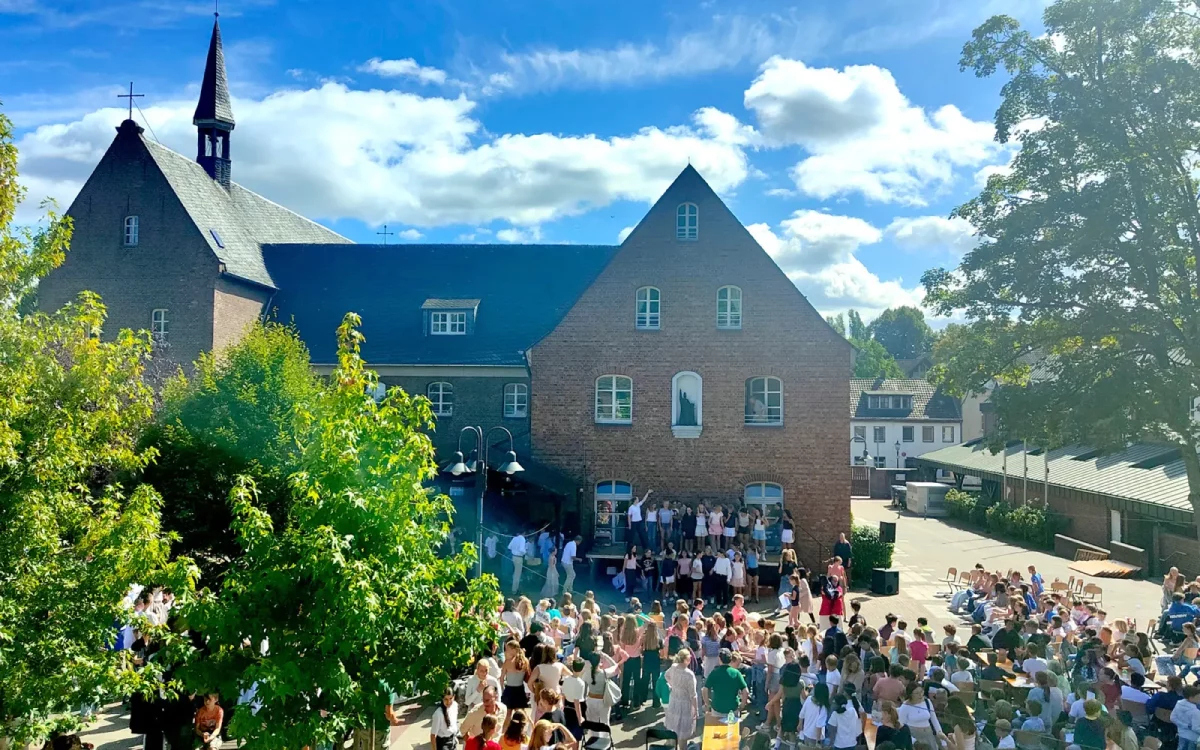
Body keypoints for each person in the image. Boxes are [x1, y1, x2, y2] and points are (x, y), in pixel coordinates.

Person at [664, 649, 698, 750]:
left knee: (674, 728)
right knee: (683, 734)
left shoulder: (673, 667)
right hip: (685, 703)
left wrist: (673, 685)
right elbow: (693, 695)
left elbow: (666, 675)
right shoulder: (689, 674)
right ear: (686, 660)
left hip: (674, 700)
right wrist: (695, 710)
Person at [897, 683, 945, 749]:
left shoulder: (927, 702)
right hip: (914, 736)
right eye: (916, 693)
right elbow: (901, 726)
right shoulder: (905, 707)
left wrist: (939, 732)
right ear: (910, 694)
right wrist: (913, 741)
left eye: (921, 692)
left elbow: (934, 719)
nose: (920, 695)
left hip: (928, 734)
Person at [704, 648, 749, 718]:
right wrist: (742, 705)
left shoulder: (714, 673)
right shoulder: (736, 673)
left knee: (717, 728)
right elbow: (745, 691)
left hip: (717, 707)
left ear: (719, 659)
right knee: (732, 728)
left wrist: (707, 703)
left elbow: (705, 689)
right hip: (733, 708)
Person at [1173, 686, 1200, 750]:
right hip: (1192, 738)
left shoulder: (1178, 704)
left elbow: (1173, 718)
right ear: (1191, 698)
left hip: (1181, 734)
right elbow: (1195, 728)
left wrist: (1185, 725)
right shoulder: (1196, 712)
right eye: (1198, 697)